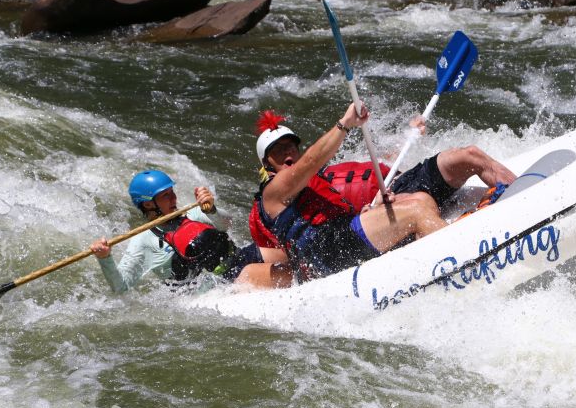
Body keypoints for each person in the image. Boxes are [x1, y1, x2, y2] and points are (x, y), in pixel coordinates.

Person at [247, 106, 516, 284]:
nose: (289, 153)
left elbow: (337, 213)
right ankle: (473, 267)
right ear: (267, 163)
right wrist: (345, 124)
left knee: (419, 201)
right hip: (324, 254)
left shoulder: (314, 185)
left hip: (340, 237)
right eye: (279, 151)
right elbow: (310, 163)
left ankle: (517, 200)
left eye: (291, 146)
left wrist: (368, 211)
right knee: (416, 213)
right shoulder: (272, 192)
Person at [90, 169, 261, 293]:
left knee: (280, 254)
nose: (174, 198)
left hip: (238, 262)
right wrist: (105, 258)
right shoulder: (143, 240)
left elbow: (227, 224)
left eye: (172, 192)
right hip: (211, 291)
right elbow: (121, 287)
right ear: (149, 204)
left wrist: (211, 210)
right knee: (275, 271)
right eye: (166, 195)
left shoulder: (193, 213)